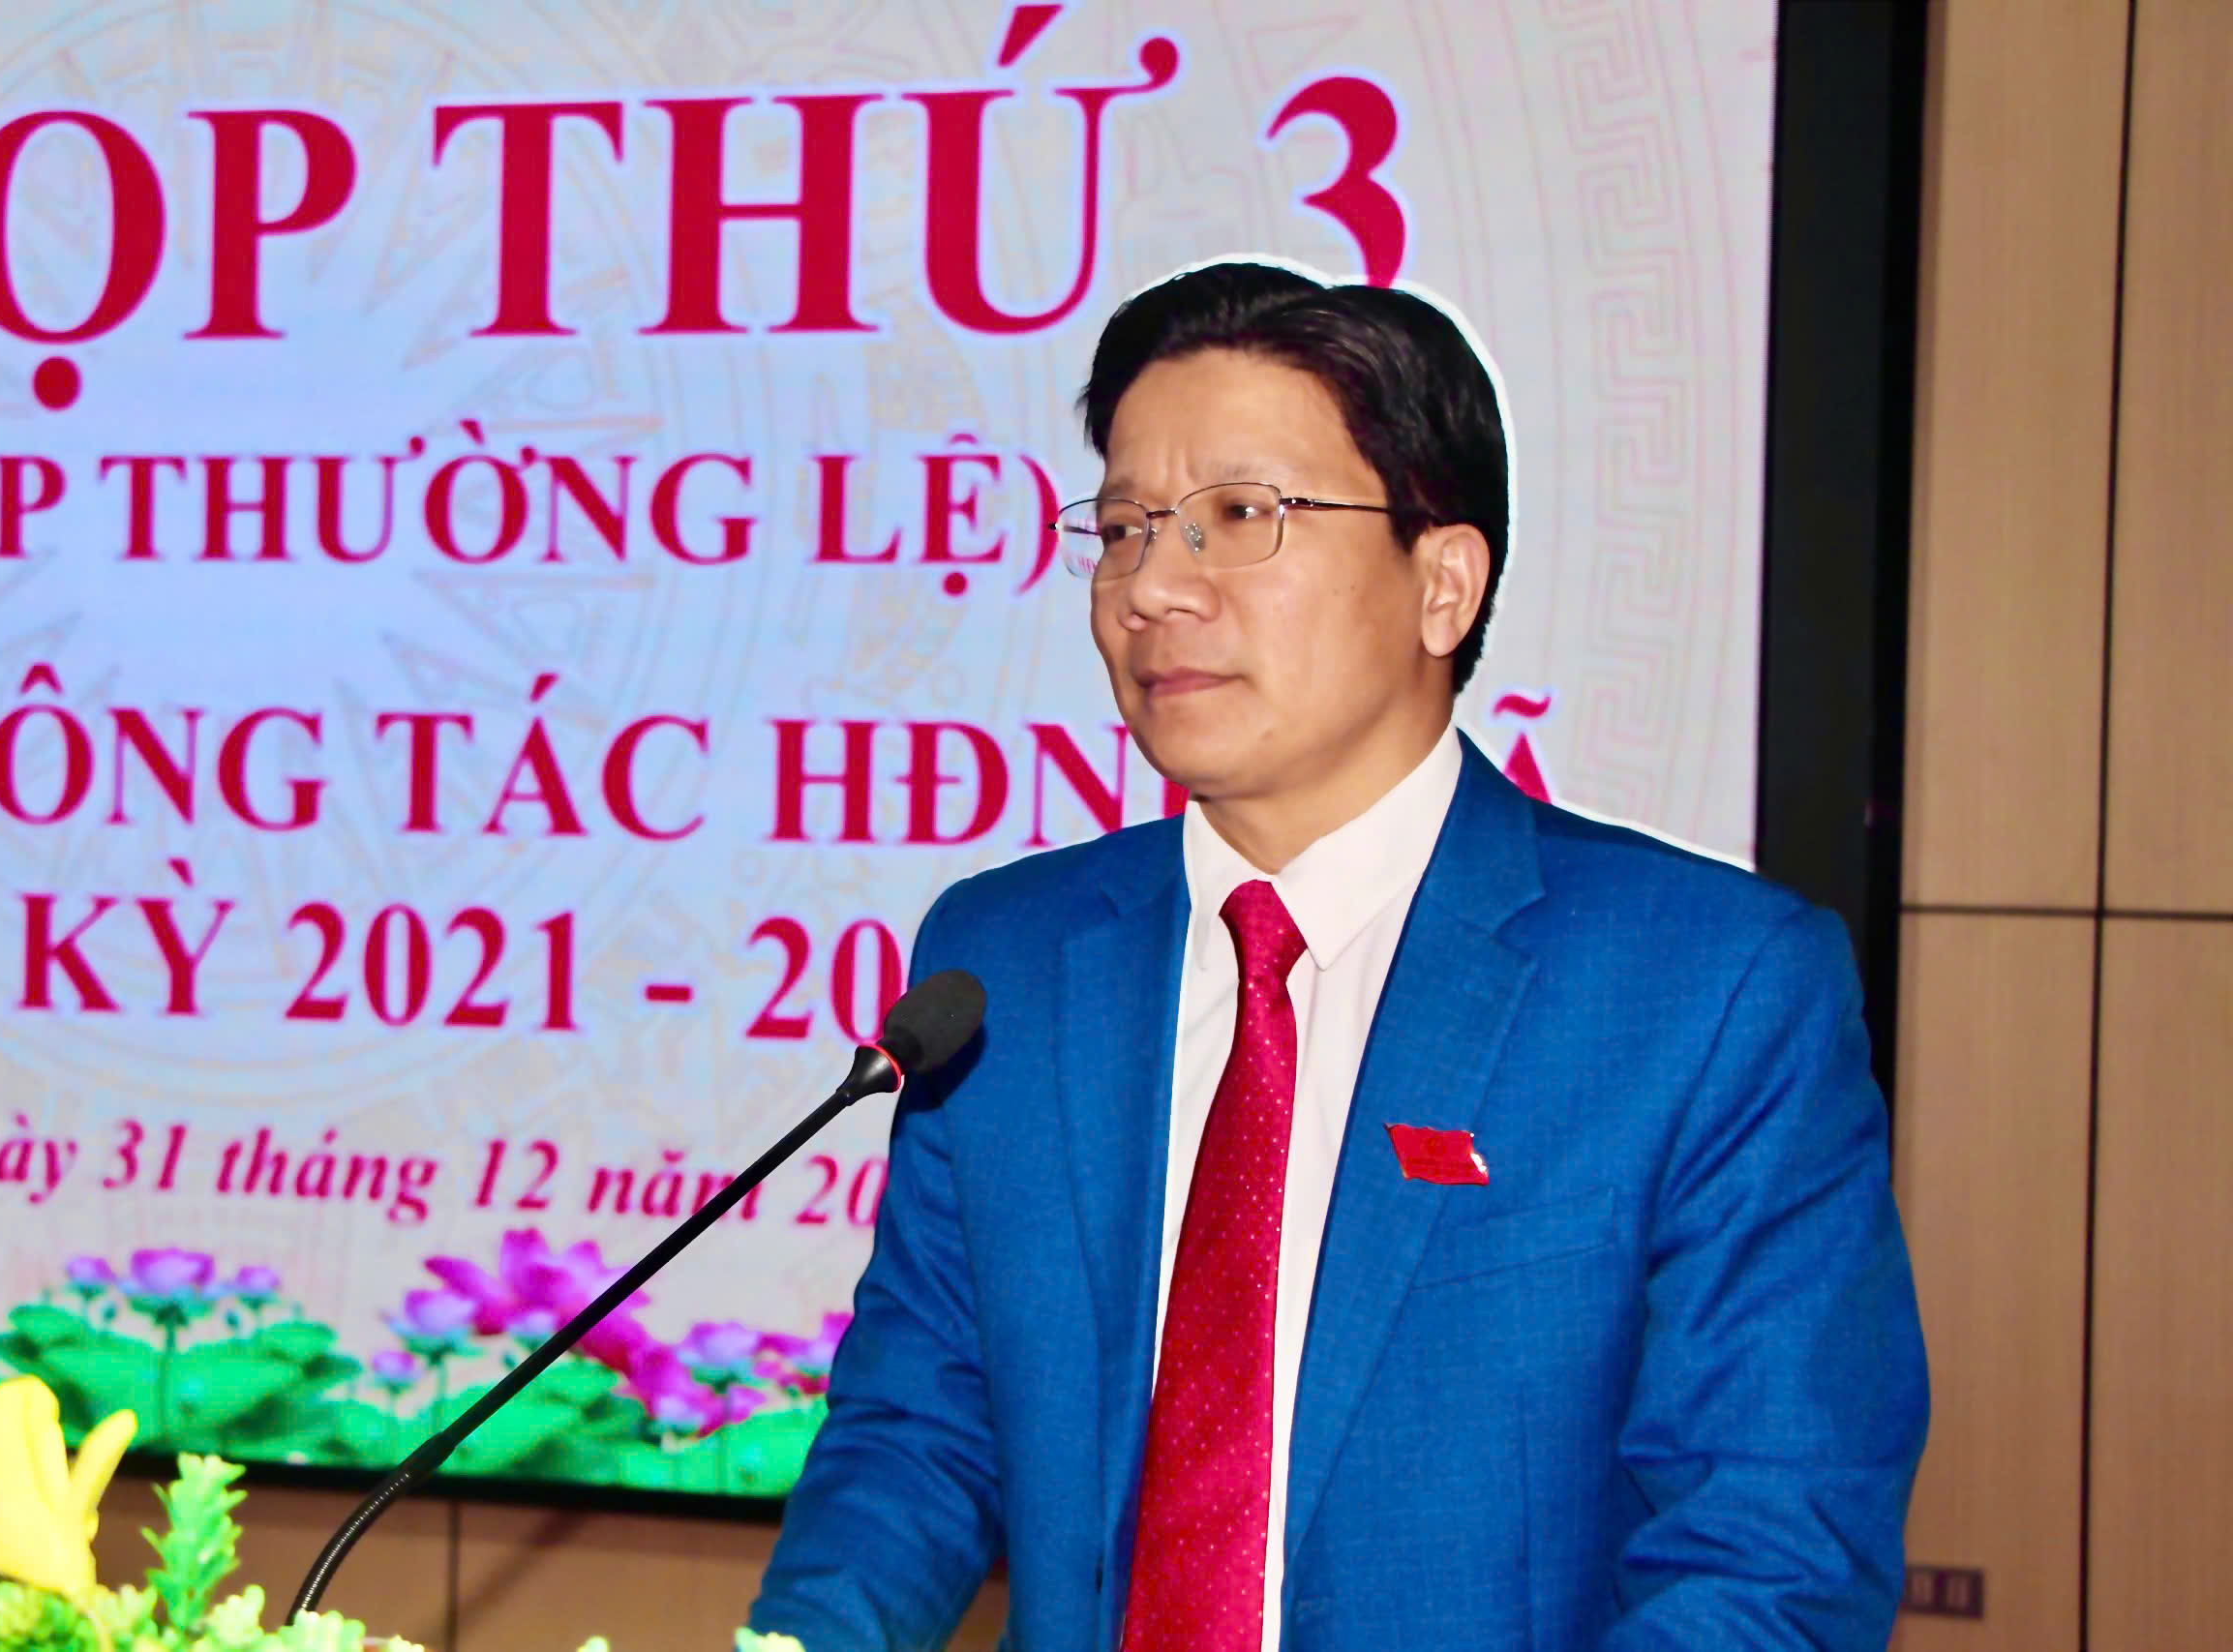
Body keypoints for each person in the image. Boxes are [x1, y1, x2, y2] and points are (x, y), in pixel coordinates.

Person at [749, 260, 1928, 1652]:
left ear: (1444, 585)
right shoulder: (1008, 958)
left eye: (1241, 517)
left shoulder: (1705, 993)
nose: (1153, 588)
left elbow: (1773, 1555)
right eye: (1123, 528)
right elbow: (918, 1428)